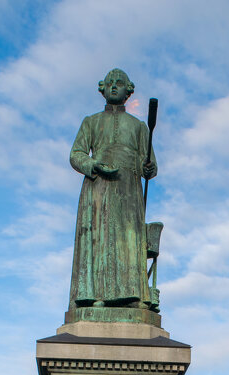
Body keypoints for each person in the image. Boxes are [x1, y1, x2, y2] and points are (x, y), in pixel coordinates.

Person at [68, 68, 157, 312]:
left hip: (128, 190)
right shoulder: (91, 121)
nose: (114, 86)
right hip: (98, 187)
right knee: (100, 239)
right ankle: (97, 294)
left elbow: (150, 164)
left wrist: (147, 167)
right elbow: (76, 154)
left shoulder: (139, 127)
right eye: (110, 83)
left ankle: (131, 295)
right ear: (103, 88)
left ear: (129, 91)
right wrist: (93, 165)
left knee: (129, 241)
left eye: (120, 83)